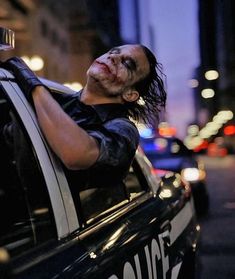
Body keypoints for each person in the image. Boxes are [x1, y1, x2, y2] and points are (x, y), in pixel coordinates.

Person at [1, 44, 167, 190]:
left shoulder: (124, 130)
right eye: (113, 51)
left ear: (130, 94)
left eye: (127, 63)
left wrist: (31, 82)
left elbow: (76, 153)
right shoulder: (54, 101)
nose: (113, 57)